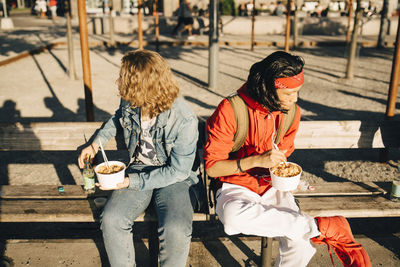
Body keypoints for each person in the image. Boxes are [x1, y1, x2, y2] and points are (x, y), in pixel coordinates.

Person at [203, 51, 371, 267]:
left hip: (274, 186)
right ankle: (323, 227)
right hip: (236, 185)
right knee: (233, 218)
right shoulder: (231, 110)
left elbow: (283, 154)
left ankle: (315, 229)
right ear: (269, 90)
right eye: (289, 94)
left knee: (303, 245)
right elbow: (212, 168)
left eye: (297, 92)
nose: (295, 99)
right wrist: (255, 160)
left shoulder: (292, 112)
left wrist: (286, 176)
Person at [78, 49, 200, 267]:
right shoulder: (131, 101)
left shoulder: (184, 119)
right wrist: (96, 144)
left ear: (142, 85)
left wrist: (130, 182)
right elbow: (117, 119)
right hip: (139, 167)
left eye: (123, 78)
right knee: (112, 219)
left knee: (176, 227)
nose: (117, 82)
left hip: (174, 176)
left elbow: (179, 171)